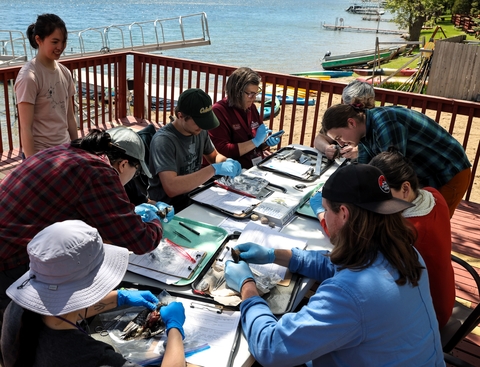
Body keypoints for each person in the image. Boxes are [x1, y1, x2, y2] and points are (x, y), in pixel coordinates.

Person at [224, 164, 445, 367]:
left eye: (326, 210)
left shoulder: (350, 294)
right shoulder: (405, 252)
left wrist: (247, 287)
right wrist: (274, 255)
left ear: (344, 214)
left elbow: (270, 347)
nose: (325, 216)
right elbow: (338, 265)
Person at [0, 127, 173, 313]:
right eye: (136, 172)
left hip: (10, 240)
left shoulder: (65, 151)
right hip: (12, 259)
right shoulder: (99, 173)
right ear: (123, 165)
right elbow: (142, 241)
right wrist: (156, 221)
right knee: (28, 330)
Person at [0, 220, 186, 367]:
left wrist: (119, 298)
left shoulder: (17, 309)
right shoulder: (90, 357)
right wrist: (174, 328)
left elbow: (66, 307)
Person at [321, 103, 472, 217]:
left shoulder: (386, 122)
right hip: (424, 175)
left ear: (351, 123)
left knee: (431, 220)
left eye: (339, 138)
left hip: (450, 172)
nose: (340, 144)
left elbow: (391, 171)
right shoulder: (364, 132)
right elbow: (366, 167)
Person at [369, 149, 455, 329]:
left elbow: (355, 245)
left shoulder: (406, 230)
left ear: (405, 189)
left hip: (426, 316)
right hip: (443, 298)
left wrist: (324, 214)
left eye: (384, 198)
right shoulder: (434, 195)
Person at [148, 88, 242, 211]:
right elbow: (172, 188)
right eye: (199, 122)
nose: (202, 127)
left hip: (194, 198)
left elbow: (213, 156)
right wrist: (214, 169)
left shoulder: (199, 130)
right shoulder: (164, 141)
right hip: (169, 209)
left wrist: (227, 162)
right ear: (180, 116)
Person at [14, 14, 78, 158]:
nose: (60, 47)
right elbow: (25, 128)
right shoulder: (29, 76)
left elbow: (70, 118)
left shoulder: (65, 73)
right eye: (55, 42)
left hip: (66, 150)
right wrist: (32, 164)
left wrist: (78, 150)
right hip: (41, 155)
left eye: (63, 42)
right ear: (39, 40)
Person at [210, 67, 280, 169]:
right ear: (236, 92)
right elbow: (223, 151)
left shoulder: (251, 107)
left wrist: (265, 142)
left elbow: (256, 143)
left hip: (255, 165)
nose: (254, 98)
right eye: (250, 94)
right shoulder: (218, 111)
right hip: (236, 169)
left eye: (256, 93)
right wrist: (255, 142)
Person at [314, 80, 375, 160]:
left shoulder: (377, 123)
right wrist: (327, 148)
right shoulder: (340, 119)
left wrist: (362, 152)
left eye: (361, 107)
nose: (358, 111)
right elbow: (319, 139)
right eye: (352, 107)